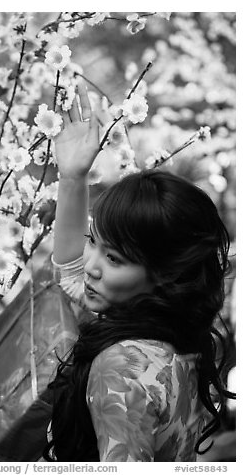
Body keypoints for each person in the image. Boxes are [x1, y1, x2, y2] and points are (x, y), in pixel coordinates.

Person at [42, 81, 235, 462]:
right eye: (92, 241)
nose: (92, 267)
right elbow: (71, 271)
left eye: (114, 259)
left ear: (162, 273)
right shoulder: (178, 341)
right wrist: (71, 178)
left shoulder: (120, 366)